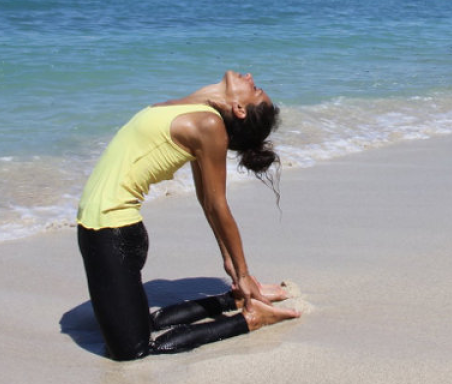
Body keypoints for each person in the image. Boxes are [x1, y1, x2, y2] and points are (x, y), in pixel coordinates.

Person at [76, 70, 300, 360]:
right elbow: (205, 200)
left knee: (132, 351)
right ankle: (230, 300)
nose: (249, 76)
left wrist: (243, 273)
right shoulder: (197, 110)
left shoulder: (208, 125)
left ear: (240, 109)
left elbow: (218, 204)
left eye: (255, 88)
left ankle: (251, 318)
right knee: (145, 324)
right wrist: (231, 267)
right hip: (105, 228)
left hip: (110, 232)